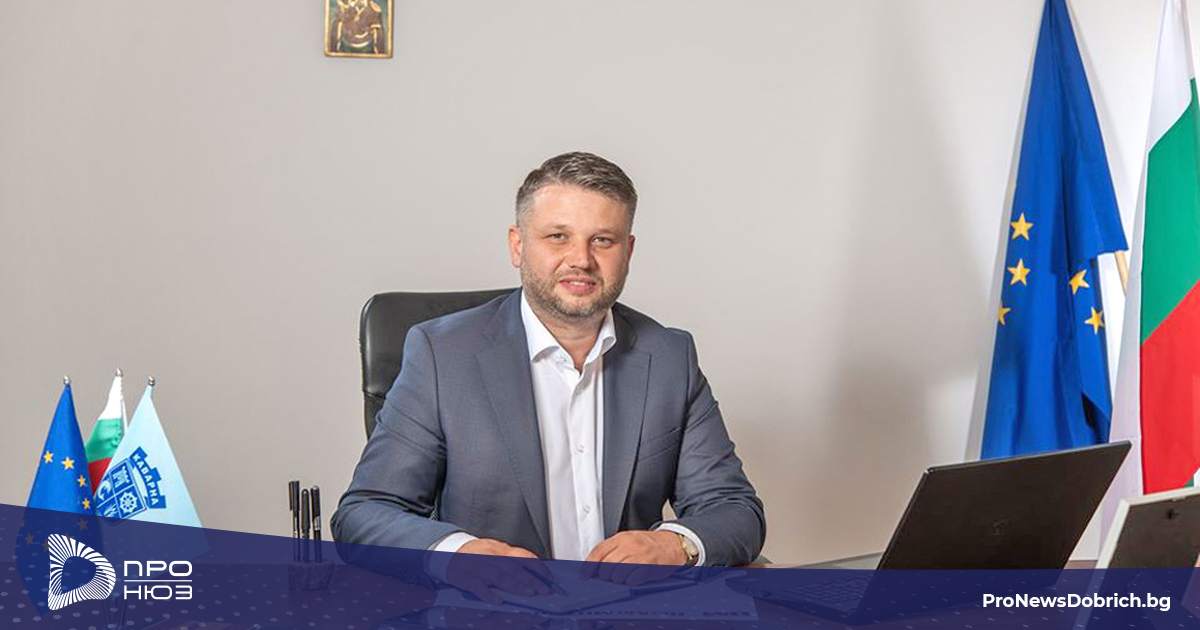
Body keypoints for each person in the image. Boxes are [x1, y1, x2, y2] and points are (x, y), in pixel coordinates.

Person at [332, 151, 764, 591]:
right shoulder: (442, 355)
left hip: (629, 609)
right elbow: (365, 513)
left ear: (628, 251)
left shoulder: (669, 356)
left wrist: (676, 544)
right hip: (493, 611)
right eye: (558, 236)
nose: (581, 259)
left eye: (603, 240)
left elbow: (734, 508)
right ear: (518, 245)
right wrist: (458, 555)